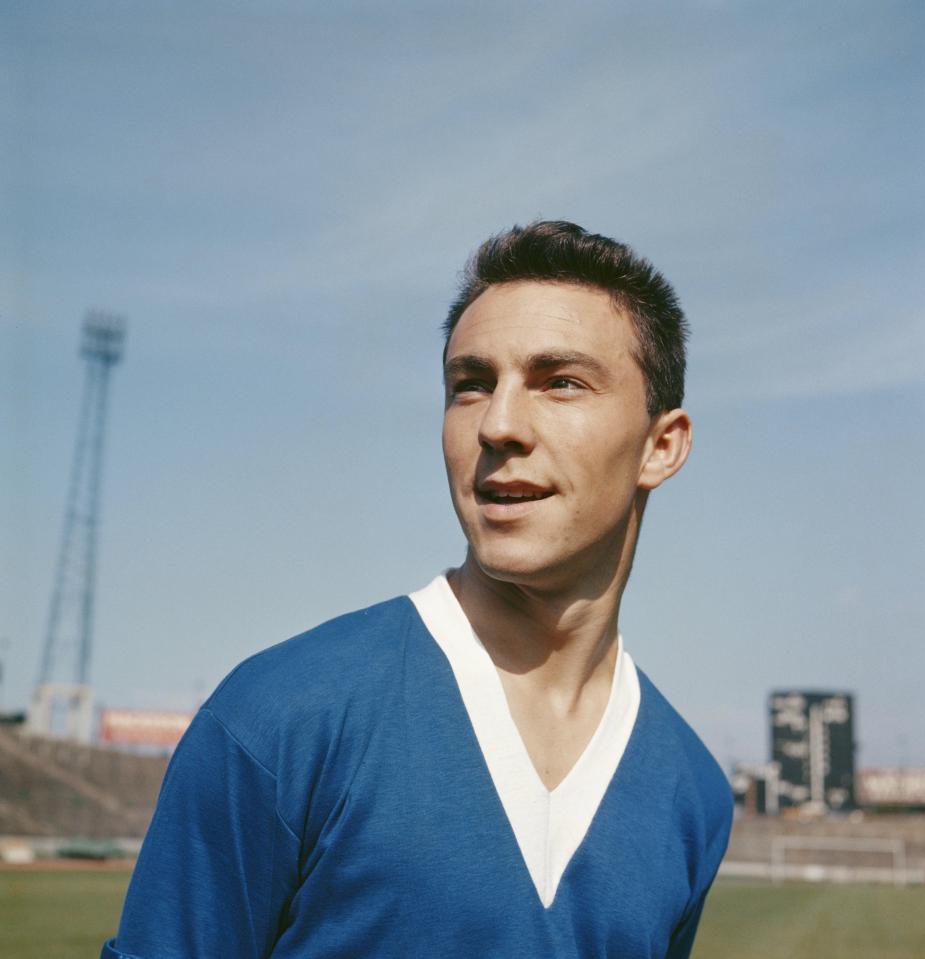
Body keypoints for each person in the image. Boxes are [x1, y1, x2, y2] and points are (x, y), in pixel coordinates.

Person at [102, 221, 733, 959]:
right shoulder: (279, 718)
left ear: (662, 445)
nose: (498, 424)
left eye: (559, 382)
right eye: (470, 385)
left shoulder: (691, 792)